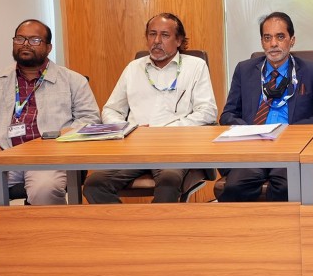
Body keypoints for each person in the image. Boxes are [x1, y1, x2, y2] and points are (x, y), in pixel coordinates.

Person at [0, 19, 100, 276]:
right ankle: (11, 265)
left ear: (48, 47)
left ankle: (56, 264)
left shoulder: (72, 81)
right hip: (3, 156)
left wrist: (56, 140)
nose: (25, 44)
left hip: (47, 158)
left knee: (44, 189)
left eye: (34, 40)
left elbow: (89, 121)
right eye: (20, 38)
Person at [82, 13, 217, 204]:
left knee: (168, 183)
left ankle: (155, 224)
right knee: (94, 185)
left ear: (179, 40)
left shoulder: (195, 66)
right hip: (135, 148)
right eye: (152, 34)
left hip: (174, 148)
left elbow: (207, 111)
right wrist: (128, 130)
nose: (157, 41)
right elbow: (111, 110)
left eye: (165, 35)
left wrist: (164, 132)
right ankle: (131, 224)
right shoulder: (133, 68)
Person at [219, 11, 313, 201]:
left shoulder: (311, 72)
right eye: (267, 38)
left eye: (280, 37)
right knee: (235, 187)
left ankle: (279, 223)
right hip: (253, 148)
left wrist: (290, 131)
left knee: (286, 188)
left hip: (292, 149)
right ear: (262, 42)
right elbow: (228, 114)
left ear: (292, 40)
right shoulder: (244, 70)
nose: (273, 43)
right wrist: (249, 131)